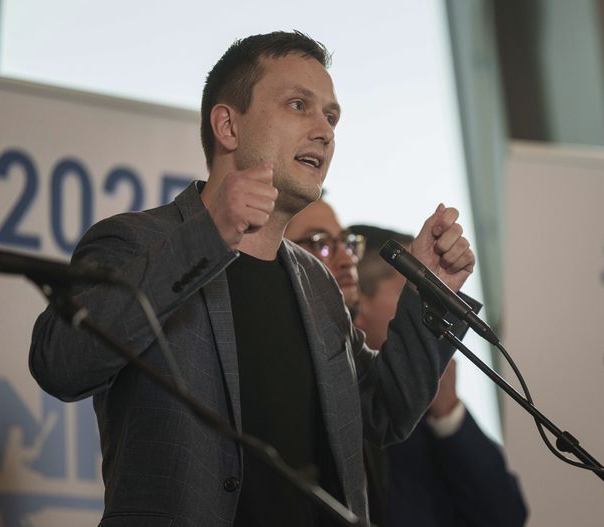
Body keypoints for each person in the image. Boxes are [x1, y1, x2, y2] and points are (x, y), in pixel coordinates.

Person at [29, 31, 476, 527]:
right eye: (298, 105)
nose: (324, 132)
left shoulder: (317, 282)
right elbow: (60, 364)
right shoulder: (135, 241)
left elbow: (382, 411)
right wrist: (207, 235)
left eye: (331, 117)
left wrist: (431, 292)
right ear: (228, 126)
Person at [286, 201, 527, 526]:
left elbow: (506, 516)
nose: (422, 302)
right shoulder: (334, 388)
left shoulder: (417, 389)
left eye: (346, 244)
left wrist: (448, 414)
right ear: (361, 302)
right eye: (407, 291)